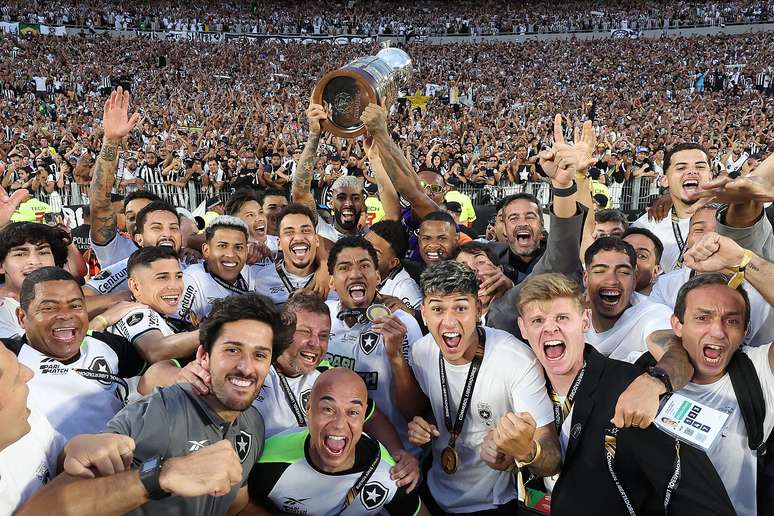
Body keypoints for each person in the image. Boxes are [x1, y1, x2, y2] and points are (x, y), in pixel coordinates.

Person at [18, 293, 292, 516]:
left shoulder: (252, 423)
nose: (245, 367)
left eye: (259, 355)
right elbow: (46, 508)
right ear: (204, 356)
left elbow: (236, 505)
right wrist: (162, 475)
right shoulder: (156, 412)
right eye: (232, 350)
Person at [512, 273, 735, 515]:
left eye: (562, 317)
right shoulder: (522, 387)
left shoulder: (634, 388)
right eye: (537, 321)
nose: (550, 328)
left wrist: (655, 384)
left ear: (585, 320)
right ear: (523, 328)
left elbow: (695, 494)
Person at [403, 261, 559, 514]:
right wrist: (423, 425)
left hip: (495, 504)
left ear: (477, 310)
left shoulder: (516, 359)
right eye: (438, 309)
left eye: (461, 308)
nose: (449, 322)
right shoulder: (421, 352)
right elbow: (438, 409)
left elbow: (551, 455)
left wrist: (522, 451)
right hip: (433, 491)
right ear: (423, 313)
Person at [246, 368, 430, 515]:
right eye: (328, 409)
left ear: (363, 416)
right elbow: (238, 507)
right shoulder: (267, 458)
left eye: (352, 412)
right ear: (308, 408)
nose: (340, 425)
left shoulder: (390, 474)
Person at [1, 267, 153, 440]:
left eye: (75, 306)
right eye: (49, 308)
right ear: (22, 317)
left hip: (122, 455)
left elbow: (154, 371)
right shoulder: (8, 358)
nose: (66, 315)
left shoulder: (109, 345)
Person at [666, 274, 774, 516]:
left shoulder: (759, 372)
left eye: (732, 321)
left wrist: (745, 260)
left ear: (746, 330)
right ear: (677, 325)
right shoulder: (639, 370)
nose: (717, 331)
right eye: (702, 318)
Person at [325, 236, 423, 453]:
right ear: (331, 281)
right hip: (336, 451)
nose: (356, 274)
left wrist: (396, 357)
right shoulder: (323, 318)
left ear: (377, 276)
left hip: (393, 457)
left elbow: (415, 413)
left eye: (365, 266)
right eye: (344, 267)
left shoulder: (402, 324)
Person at [98, 246, 199, 364]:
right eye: (162, 277)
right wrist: (214, 332)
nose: (175, 286)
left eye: (178, 276)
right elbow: (155, 350)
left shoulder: (161, 313)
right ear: (135, 286)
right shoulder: (136, 312)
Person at [583, 237, 673, 360]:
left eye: (623, 272)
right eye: (600, 271)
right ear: (586, 279)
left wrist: (664, 374)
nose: (612, 281)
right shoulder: (567, 314)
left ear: (634, 280)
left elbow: (673, 353)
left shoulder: (653, 313)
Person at [0, 342, 64, 514]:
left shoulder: (25, 414)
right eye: (15, 378)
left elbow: (57, 454)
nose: (29, 373)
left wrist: (78, 448)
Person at [632, 143, 712, 272]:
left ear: (711, 176)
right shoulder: (650, 222)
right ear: (665, 180)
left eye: (700, 167)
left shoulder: (727, 218)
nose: (692, 171)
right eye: (681, 168)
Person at [177, 215, 264, 324]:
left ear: (246, 251)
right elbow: (178, 329)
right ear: (206, 250)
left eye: (238, 247)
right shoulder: (191, 279)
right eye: (222, 246)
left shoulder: (255, 272)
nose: (230, 255)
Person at [85, 201, 184, 295]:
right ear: (139, 239)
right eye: (156, 228)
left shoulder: (192, 265)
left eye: (173, 228)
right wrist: (124, 300)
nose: (167, 234)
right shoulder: (125, 270)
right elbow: (83, 298)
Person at [253, 204, 335, 305]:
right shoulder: (262, 280)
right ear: (279, 244)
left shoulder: (334, 280)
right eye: (289, 232)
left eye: (305, 230)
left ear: (317, 240)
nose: (299, 238)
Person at [0, 222, 69, 338]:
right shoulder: (3, 310)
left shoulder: (70, 298)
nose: (35, 261)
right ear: (1, 266)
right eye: (20, 254)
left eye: (43, 252)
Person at [365, 220, 423, 310]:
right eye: (364, 245)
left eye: (375, 253)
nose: (364, 254)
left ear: (393, 263)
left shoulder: (405, 290)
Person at [452, 242, 513, 325]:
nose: (472, 269)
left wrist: (511, 290)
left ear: (500, 270)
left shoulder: (516, 310)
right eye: (462, 267)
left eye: (480, 262)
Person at [622, 227, 663, 295]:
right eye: (625, 252)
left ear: (655, 271)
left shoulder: (659, 305)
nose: (629, 259)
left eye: (642, 256)